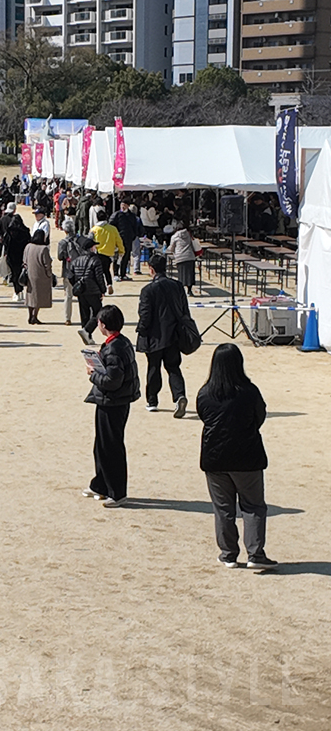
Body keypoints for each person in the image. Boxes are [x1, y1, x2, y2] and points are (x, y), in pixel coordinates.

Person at [197, 344, 277, 569]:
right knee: (253, 506)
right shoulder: (249, 391)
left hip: (215, 458)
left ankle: (228, 553)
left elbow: (204, 417)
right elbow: (259, 416)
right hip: (247, 457)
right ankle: (255, 553)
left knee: (223, 508)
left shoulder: (205, 393)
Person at [82, 305, 141, 508]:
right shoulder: (118, 343)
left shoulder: (115, 348)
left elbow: (113, 380)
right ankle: (100, 484)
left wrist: (93, 374)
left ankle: (117, 492)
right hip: (110, 400)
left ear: (103, 324)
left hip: (114, 401)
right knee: (102, 445)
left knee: (111, 447)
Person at [136, 254, 191, 418]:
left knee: (154, 367)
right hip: (173, 334)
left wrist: (141, 330)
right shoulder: (178, 286)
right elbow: (184, 310)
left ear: (151, 269)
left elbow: (145, 315)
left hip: (154, 336)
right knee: (173, 367)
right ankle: (179, 395)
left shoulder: (148, 290)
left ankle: (152, 401)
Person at [24, 229, 54, 325]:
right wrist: (49, 274)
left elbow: (24, 260)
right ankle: (35, 316)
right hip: (41, 276)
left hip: (29, 275)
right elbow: (47, 263)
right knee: (38, 298)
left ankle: (30, 316)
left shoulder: (28, 246)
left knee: (30, 296)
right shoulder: (44, 249)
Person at [0, 213, 31, 303]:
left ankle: (17, 292)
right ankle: (22, 291)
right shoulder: (25, 231)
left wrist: (6, 254)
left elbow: (6, 244)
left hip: (12, 257)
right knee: (22, 273)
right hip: (23, 256)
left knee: (14, 274)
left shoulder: (10, 232)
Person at [90, 210, 124, 295]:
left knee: (98, 272)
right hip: (109, 254)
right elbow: (119, 241)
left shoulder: (94, 229)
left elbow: (90, 241)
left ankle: (101, 289)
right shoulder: (113, 229)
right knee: (106, 270)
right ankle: (109, 284)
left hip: (97, 253)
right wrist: (121, 250)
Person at [57, 219, 83, 326]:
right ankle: (84, 317)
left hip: (68, 270)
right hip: (80, 270)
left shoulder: (62, 243)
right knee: (82, 296)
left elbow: (60, 257)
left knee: (68, 296)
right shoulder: (80, 240)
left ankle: (68, 318)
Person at [168, 219, 199, 296]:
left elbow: (171, 248)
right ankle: (189, 290)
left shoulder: (174, 236)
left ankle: (181, 291)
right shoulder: (188, 234)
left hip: (180, 257)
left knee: (181, 274)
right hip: (190, 256)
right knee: (190, 274)